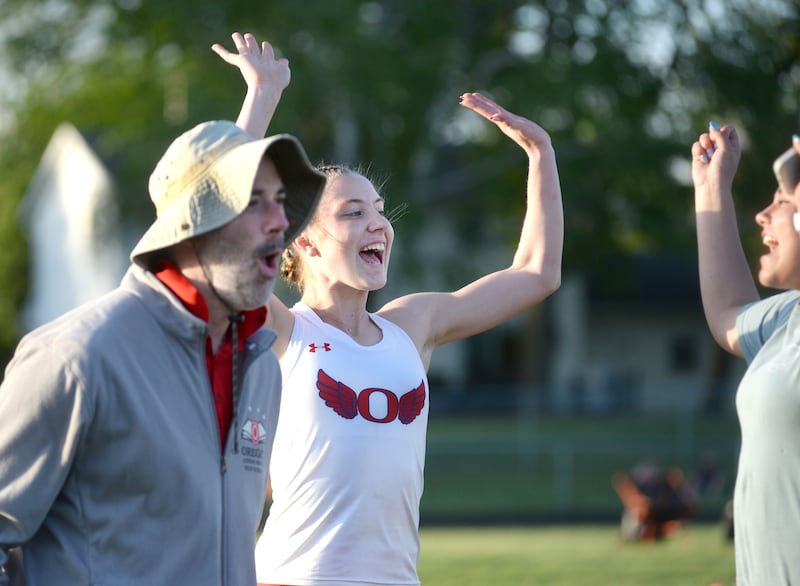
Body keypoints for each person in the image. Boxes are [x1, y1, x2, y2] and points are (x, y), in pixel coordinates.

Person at [213, 32, 564, 586]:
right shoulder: (283, 330)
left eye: (379, 210)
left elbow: (536, 273)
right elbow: (222, 245)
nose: (378, 223)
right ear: (302, 240)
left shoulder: (412, 326)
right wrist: (261, 97)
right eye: (353, 213)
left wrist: (541, 154)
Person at [0, 113, 325, 581]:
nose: (281, 221)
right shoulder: (77, 358)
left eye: (279, 201)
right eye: (253, 202)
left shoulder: (260, 367)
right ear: (192, 225)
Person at [691, 122, 800, 585]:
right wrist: (712, 188)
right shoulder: (788, 317)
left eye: (786, 203)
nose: (765, 213)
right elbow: (728, 315)